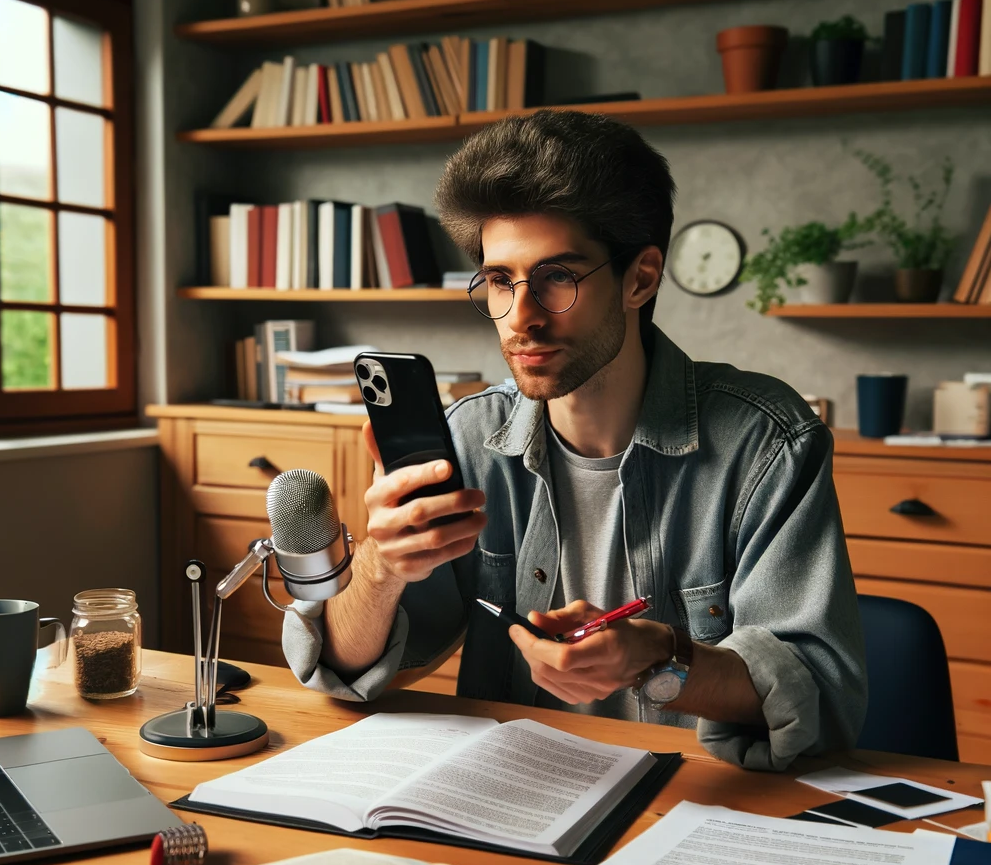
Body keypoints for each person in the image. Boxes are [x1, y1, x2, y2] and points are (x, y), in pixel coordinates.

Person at [288, 109, 866, 772]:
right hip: (510, 797)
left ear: (640, 279)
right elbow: (342, 669)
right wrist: (381, 572)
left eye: (557, 278)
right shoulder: (471, 439)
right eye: (501, 281)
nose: (521, 319)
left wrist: (658, 660)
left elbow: (818, 698)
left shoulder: (765, 444)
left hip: (698, 806)